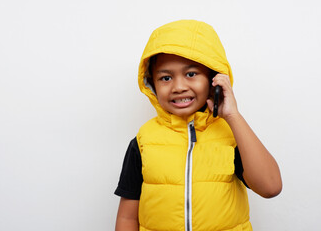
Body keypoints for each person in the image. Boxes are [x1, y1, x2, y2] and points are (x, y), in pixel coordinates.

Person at [114, 20, 282, 231]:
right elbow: (127, 218)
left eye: (191, 74)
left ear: (214, 79)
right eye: (165, 77)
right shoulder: (143, 141)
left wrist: (232, 115)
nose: (178, 87)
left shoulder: (232, 136)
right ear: (151, 85)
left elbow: (271, 186)